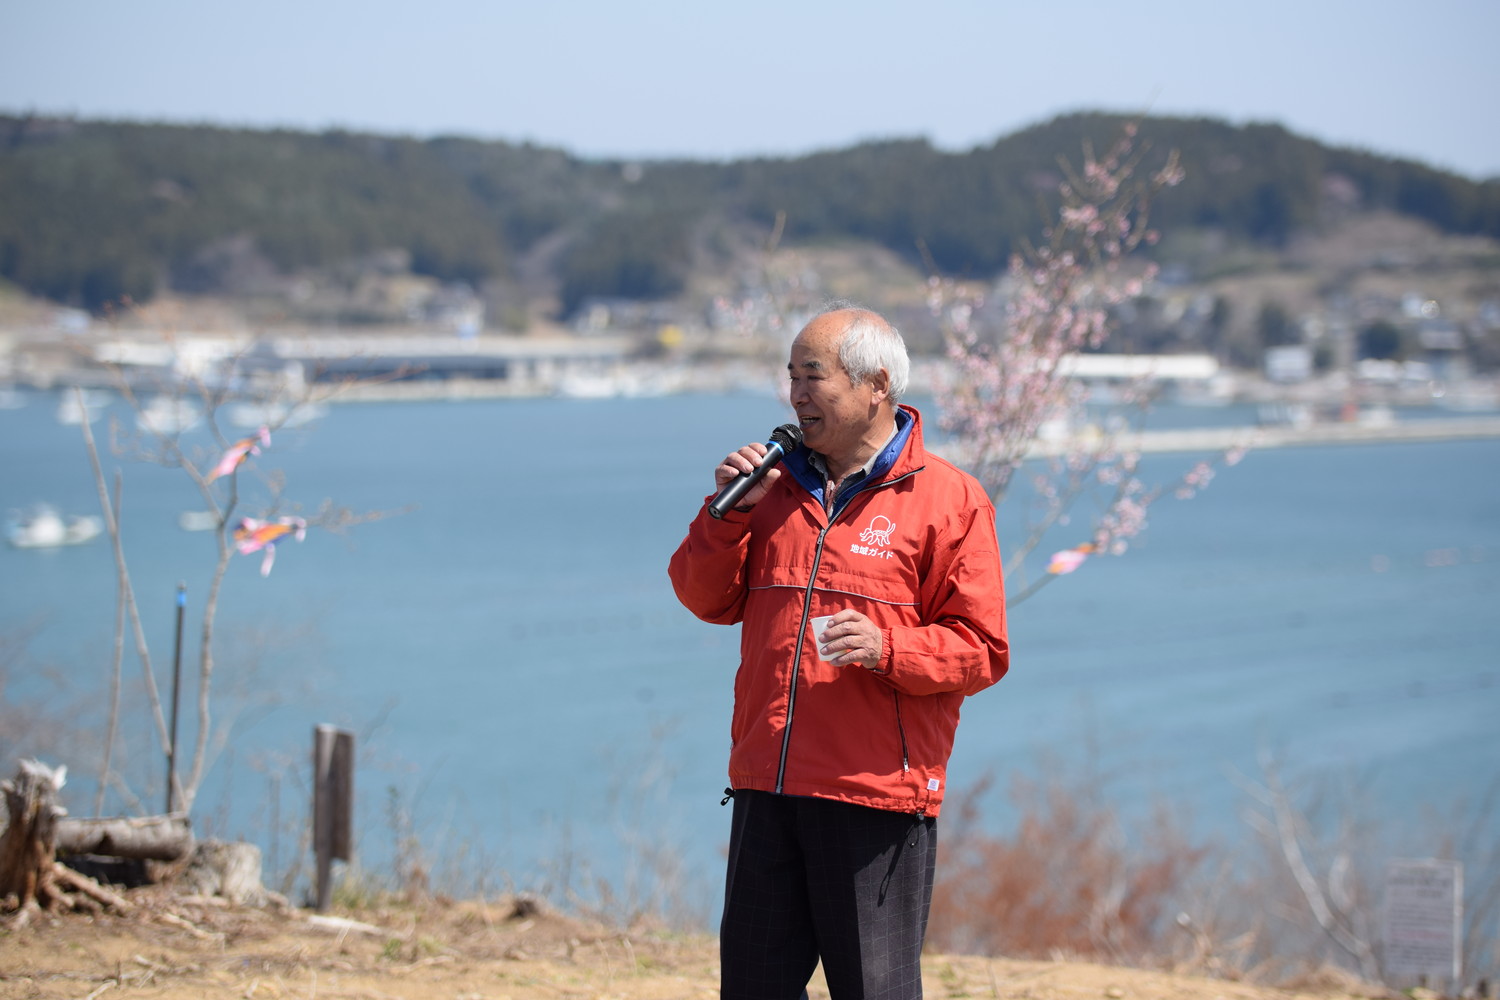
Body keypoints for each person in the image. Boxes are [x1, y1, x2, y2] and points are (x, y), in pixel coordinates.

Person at [668, 305, 1010, 1000]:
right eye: (790, 375)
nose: (795, 393)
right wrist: (727, 512)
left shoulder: (950, 501)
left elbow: (982, 650)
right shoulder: (768, 488)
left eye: (813, 375)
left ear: (875, 384)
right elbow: (703, 598)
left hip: (875, 799)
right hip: (767, 788)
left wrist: (888, 648)